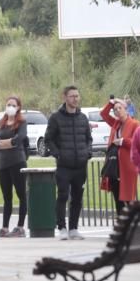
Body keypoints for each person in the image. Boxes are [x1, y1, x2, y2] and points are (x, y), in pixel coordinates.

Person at [45, 85, 93, 240]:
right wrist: (58, 154)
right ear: (65, 97)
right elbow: (49, 139)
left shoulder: (82, 118)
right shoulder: (56, 117)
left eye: (77, 96)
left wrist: (88, 152)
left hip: (80, 165)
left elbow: (88, 138)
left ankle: (73, 228)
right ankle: (62, 227)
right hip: (64, 165)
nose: (75, 99)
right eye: (72, 96)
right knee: (63, 195)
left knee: (78, 197)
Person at [0, 96, 28, 238]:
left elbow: (19, 139)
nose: (10, 107)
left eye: (13, 105)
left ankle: (20, 227)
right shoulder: (1, 123)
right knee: (7, 197)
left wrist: (4, 143)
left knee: (21, 194)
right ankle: (4, 227)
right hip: (3, 164)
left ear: (18, 107)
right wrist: (9, 143)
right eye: (8, 104)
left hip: (17, 162)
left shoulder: (21, 122)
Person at [100, 97, 140, 212]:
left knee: (128, 199)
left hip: (127, 166)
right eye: (115, 109)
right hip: (114, 165)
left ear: (126, 109)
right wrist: (111, 103)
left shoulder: (135, 124)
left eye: (120, 108)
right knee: (117, 199)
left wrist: (123, 141)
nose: (117, 111)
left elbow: (138, 142)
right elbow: (103, 114)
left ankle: (132, 224)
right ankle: (121, 225)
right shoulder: (115, 123)